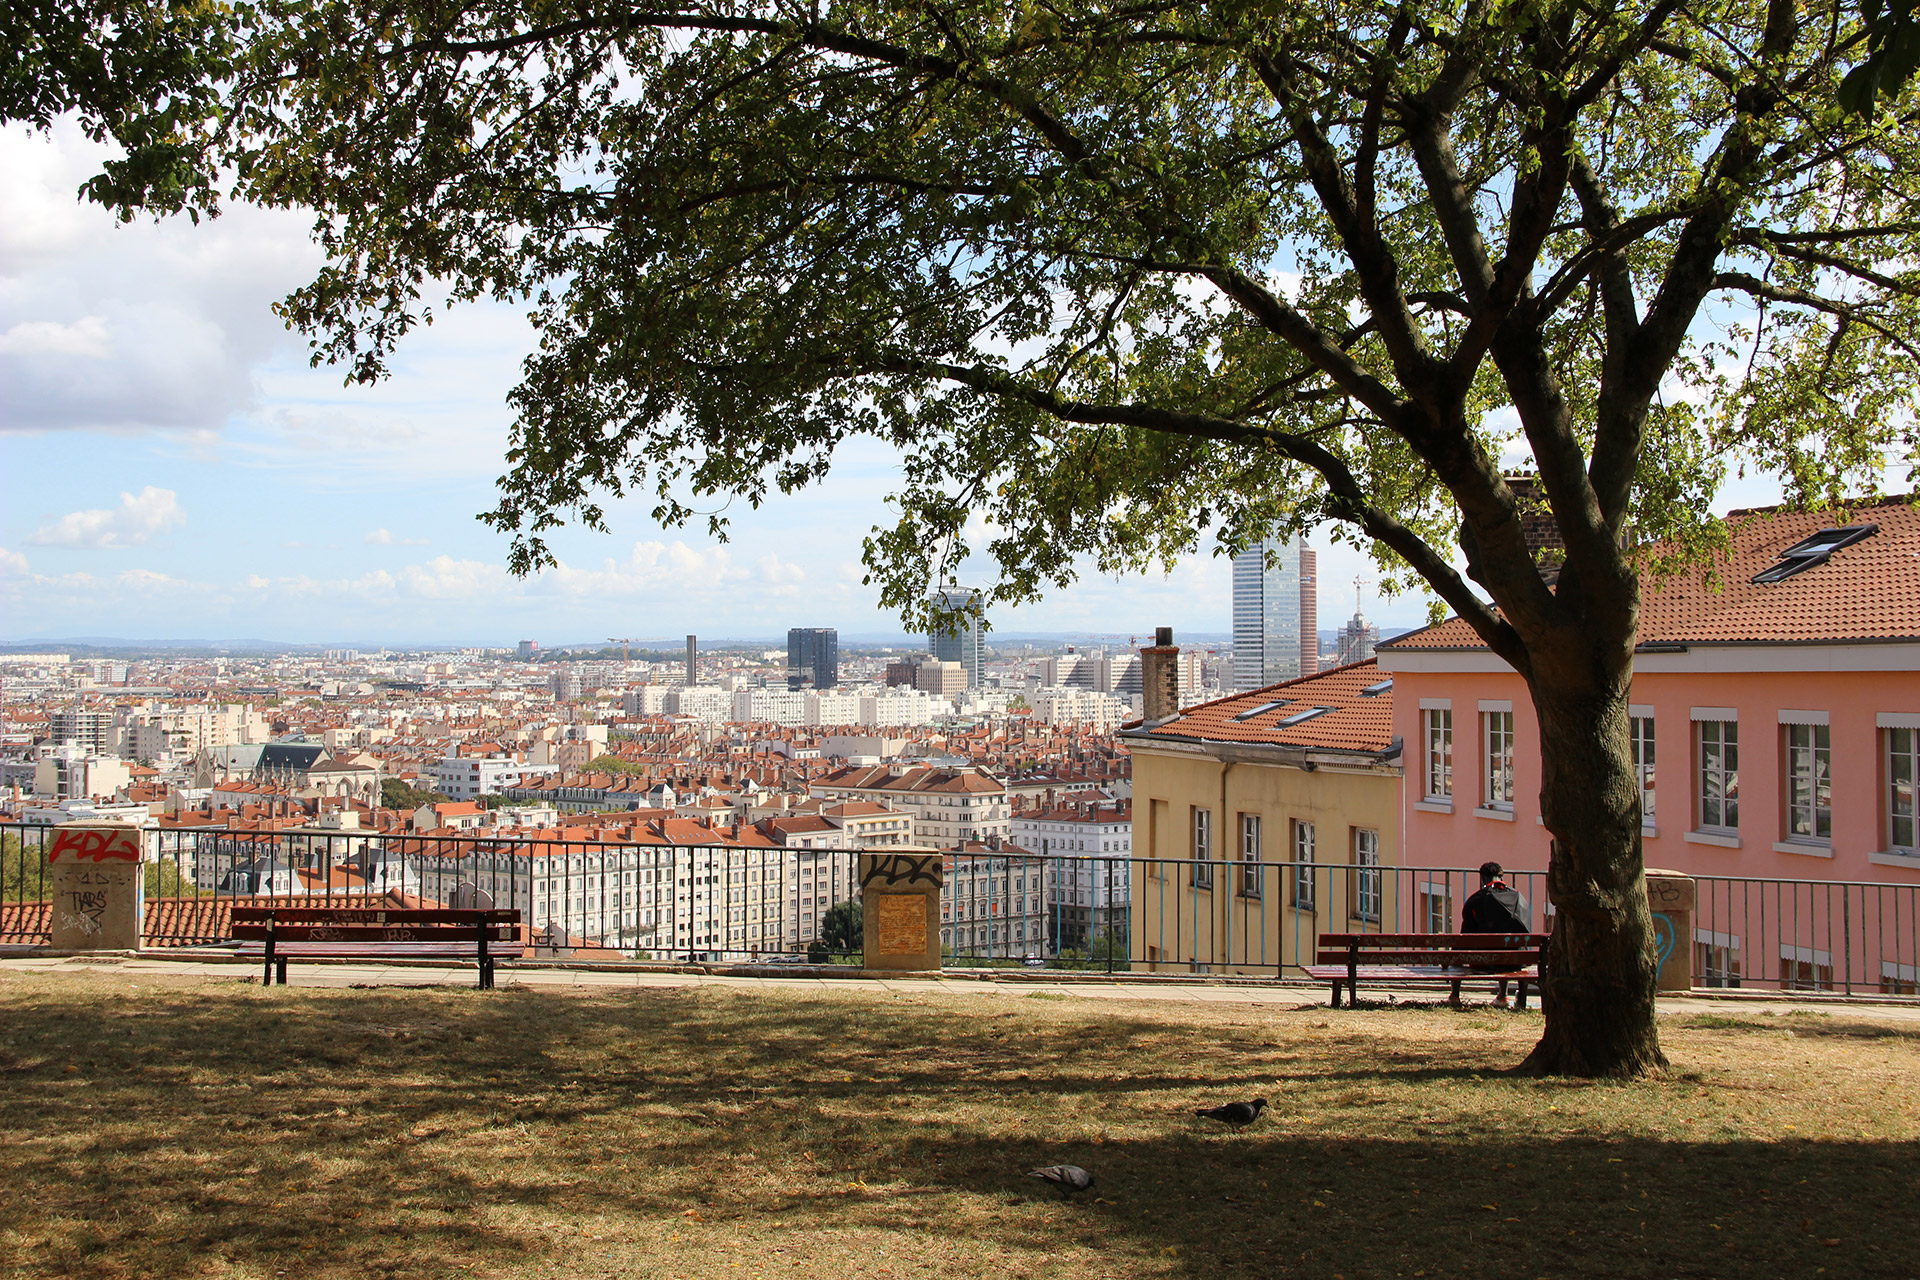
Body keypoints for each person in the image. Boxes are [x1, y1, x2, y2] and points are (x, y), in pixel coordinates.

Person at [1462, 861, 1531, 1006]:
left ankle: (1455, 995)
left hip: (1484, 962)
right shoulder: (1518, 898)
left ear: (1482, 878)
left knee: (1463, 952)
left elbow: (1464, 937)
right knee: (1506, 948)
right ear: (1501, 876)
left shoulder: (1476, 900)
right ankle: (1507, 996)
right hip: (1516, 962)